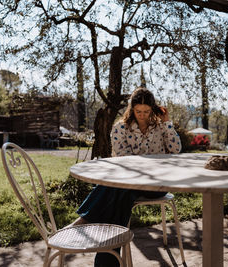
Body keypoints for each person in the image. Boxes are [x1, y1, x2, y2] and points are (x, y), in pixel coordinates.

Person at [73, 87, 181, 267]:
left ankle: (85, 219)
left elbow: (176, 150)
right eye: (138, 111)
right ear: (132, 109)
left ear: (152, 109)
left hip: (156, 185)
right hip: (128, 184)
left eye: (147, 111)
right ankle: (108, 261)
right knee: (121, 196)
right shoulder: (120, 128)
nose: (143, 115)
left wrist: (167, 122)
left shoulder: (161, 127)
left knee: (118, 188)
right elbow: (125, 164)